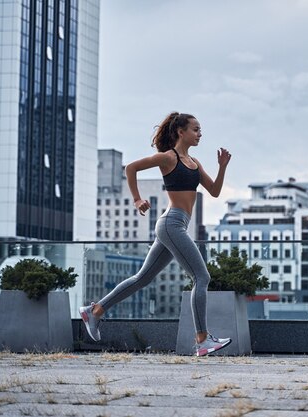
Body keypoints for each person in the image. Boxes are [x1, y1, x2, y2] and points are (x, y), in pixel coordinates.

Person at [80, 112, 232, 357]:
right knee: (202, 277)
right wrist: (137, 199)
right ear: (180, 132)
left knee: (142, 278)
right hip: (171, 224)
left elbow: (214, 191)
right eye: (195, 129)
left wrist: (222, 167)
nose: (199, 133)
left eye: (200, 129)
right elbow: (131, 168)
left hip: (175, 225)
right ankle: (202, 340)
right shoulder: (168, 158)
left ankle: (95, 310)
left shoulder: (194, 163)